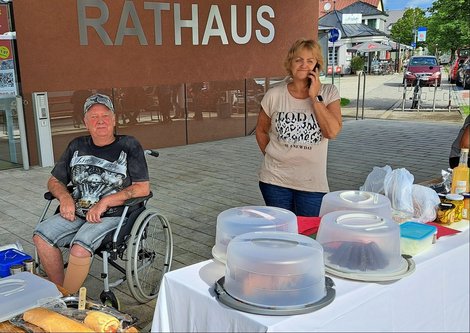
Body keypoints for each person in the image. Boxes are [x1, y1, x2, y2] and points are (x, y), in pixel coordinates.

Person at [33, 93, 150, 293]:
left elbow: (142, 187)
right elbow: (54, 180)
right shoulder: (77, 146)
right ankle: (59, 291)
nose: (100, 121)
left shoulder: (129, 145)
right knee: (41, 236)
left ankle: (67, 298)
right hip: (78, 211)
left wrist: (106, 202)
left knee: (80, 247)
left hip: (114, 214)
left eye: (105, 115)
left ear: (114, 120)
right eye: (94, 117)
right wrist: (65, 197)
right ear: (86, 123)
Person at [255, 38, 342, 217]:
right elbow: (261, 130)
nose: (304, 65)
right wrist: (274, 155)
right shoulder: (274, 95)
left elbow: (331, 132)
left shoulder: (329, 93)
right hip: (275, 180)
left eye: (310, 61)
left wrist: (315, 97)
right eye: (298, 60)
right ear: (290, 64)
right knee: (282, 233)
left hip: (312, 184)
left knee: (308, 235)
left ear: (317, 65)